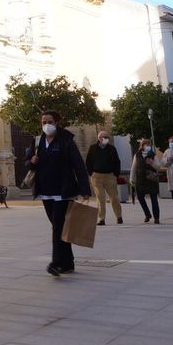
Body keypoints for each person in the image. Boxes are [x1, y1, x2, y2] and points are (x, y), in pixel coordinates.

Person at [28, 110, 92, 275]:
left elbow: (79, 165)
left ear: (57, 123)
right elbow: (28, 162)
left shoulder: (66, 140)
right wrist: (32, 161)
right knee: (60, 227)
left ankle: (55, 263)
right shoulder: (39, 141)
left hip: (63, 191)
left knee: (57, 227)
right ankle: (68, 263)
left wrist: (85, 189)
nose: (46, 125)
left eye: (49, 121)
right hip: (45, 191)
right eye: (43, 122)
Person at [85, 130, 124, 226]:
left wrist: (116, 175)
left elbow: (117, 162)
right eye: (105, 137)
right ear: (99, 138)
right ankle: (101, 218)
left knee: (114, 197)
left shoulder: (112, 149)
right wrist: (91, 173)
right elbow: (88, 161)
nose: (107, 139)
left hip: (110, 176)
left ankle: (119, 216)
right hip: (97, 177)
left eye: (108, 137)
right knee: (100, 198)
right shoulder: (93, 148)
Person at [131, 137, 162, 224]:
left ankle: (156, 218)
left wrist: (152, 163)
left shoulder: (153, 155)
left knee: (154, 199)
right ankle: (147, 214)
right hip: (140, 180)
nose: (148, 146)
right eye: (146, 144)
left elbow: (159, 167)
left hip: (151, 180)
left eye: (149, 145)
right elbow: (133, 168)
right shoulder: (137, 155)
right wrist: (131, 180)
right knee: (140, 198)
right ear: (142, 146)